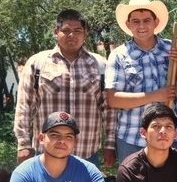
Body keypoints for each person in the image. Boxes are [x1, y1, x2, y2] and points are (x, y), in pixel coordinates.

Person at [13, 9, 115, 168]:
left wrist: (110, 143)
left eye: (77, 31)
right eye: (66, 30)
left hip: (86, 153)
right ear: (56, 32)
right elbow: (24, 106)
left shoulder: (100, 65)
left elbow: (109, 109)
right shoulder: (37, 63)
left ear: (85, 33)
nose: (71, 35)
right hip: (46, 153)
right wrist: (24, 144)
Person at [106, 0, 177, 163]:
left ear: (156, 22)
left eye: (147, 20)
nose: (142, 25)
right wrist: (157, 96)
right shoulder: (119, 55)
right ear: (128, 24)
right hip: (132, 138)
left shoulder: (171, 49)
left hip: (168, 136)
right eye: (136, 21)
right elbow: (113, 99)